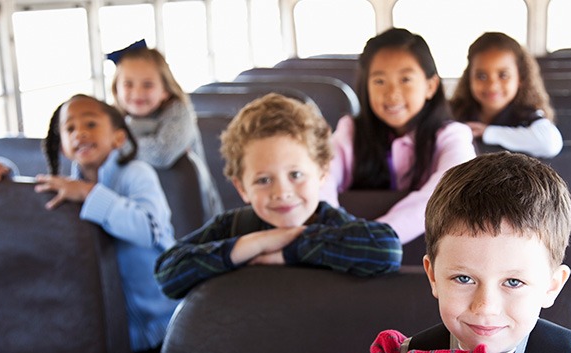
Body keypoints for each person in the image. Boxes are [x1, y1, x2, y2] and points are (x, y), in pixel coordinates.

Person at [300, 152, 571, 353]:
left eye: (513, 282)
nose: (485, 306)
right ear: (432, 275)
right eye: (463, 278)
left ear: (551, 286)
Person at [0, 94, 179, 353]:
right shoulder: (71, 184)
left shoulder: (135, 173)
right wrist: (5, 176)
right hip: (110, 332)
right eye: (70, 128)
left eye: (91, 124)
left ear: (118, 137)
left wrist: (90, 195)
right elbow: (39, 206)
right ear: (63, 145)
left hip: (161, 323)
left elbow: (148, 227)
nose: (80, 132)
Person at [154, 93, 402, 300]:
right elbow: (168, 273)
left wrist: (291, 247)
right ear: (241, 188)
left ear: (322, 173)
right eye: (263, 180)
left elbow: (388, 249)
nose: (282, 192)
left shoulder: (335, 227)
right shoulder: (233, 227)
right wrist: (255, 244)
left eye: (296, 175)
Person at [319, 28, 475, 245]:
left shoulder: (451, 136)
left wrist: (369, 240)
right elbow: (321, 180)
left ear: (430, 86)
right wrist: (333, 229)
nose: (392, 93)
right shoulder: (350, 131)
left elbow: (448, 189)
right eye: (379, 81)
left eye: (405, 79)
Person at [108, 39, 224, 217]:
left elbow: (161, 153)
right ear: (116, 89)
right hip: (140, 206)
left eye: (147, 85)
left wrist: (116, 145)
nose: (137, 93)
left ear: (165, 90)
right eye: (128, 84)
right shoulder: (115, 119)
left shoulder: (178, 113)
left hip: (190, 202)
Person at [449, 32, 563, 158]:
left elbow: (551, 144)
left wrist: (488, 133)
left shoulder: (526, 116)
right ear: (469, 78)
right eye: (481, 76)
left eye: (503, 75)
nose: (492, 86)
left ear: (520, 77)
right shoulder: (455, 113)